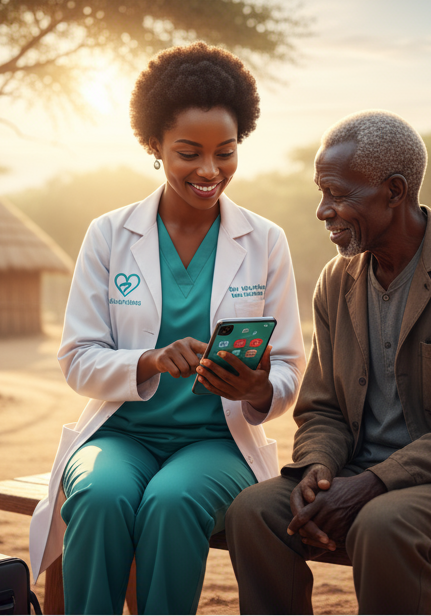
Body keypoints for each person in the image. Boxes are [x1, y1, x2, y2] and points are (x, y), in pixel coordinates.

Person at [225, 110, 431, 614]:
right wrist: (317, 467)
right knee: (254, 511)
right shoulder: (337, 281)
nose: (322, 210)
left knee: (385, 523)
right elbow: (323, 409)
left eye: (337, 194)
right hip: (359, 473)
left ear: (395, 191)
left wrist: (374, 483)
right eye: (321, 192)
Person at [27, 42, 306, 615]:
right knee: (102, 497)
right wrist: (149, 361)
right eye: (189, 153)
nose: (209, 171)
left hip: (216, 443)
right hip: (119, 435)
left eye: (225, 153)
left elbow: (287, 367)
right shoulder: (108, 235)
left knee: (172, 502)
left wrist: (257, 388)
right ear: (155, 147)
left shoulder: (265, 241)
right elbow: (77, 358)